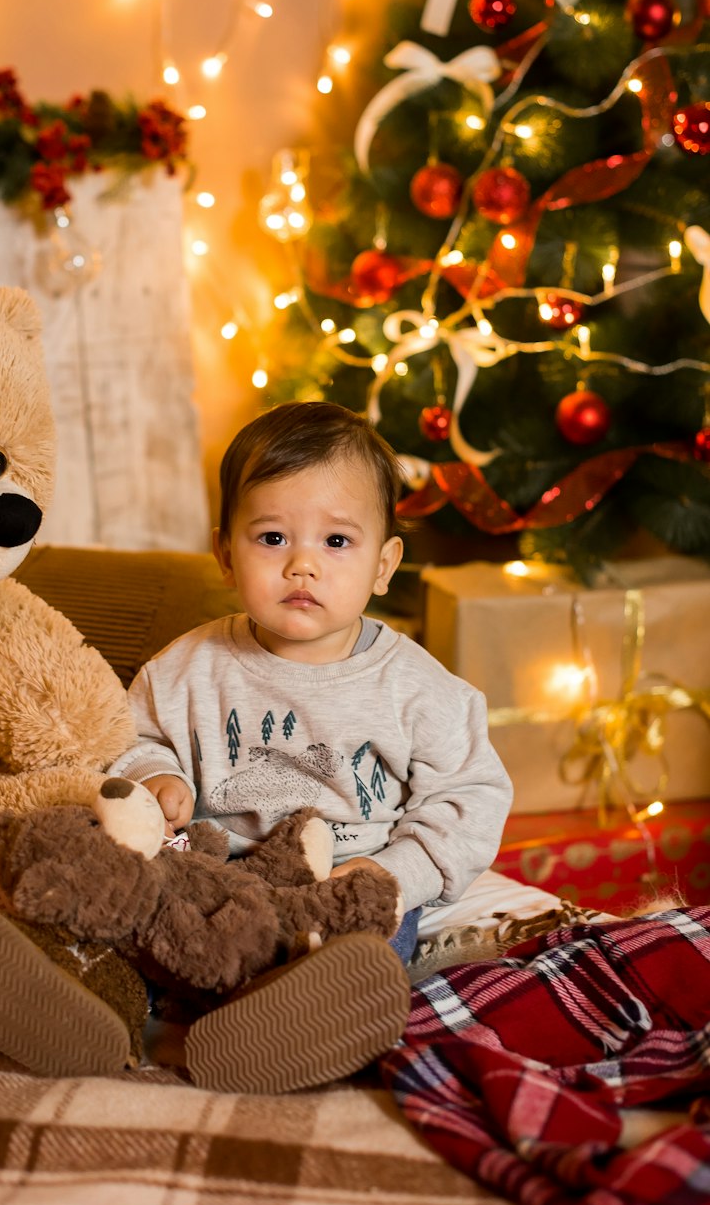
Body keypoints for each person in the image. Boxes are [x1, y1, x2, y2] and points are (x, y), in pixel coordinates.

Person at [108, 400, 512, 1090]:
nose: (302, 565)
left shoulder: (418, 689)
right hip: (213, 877)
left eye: (336, 542)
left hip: (344, 885)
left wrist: (396, 876)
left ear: (384, 565)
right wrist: (155, 776)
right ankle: (98, 1004)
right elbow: (127, 738)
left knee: (358, 953)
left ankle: (289, 1028)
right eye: (271, 539)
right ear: (224, 553)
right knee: (129, 909)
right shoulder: (187, 667)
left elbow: (469, 798)